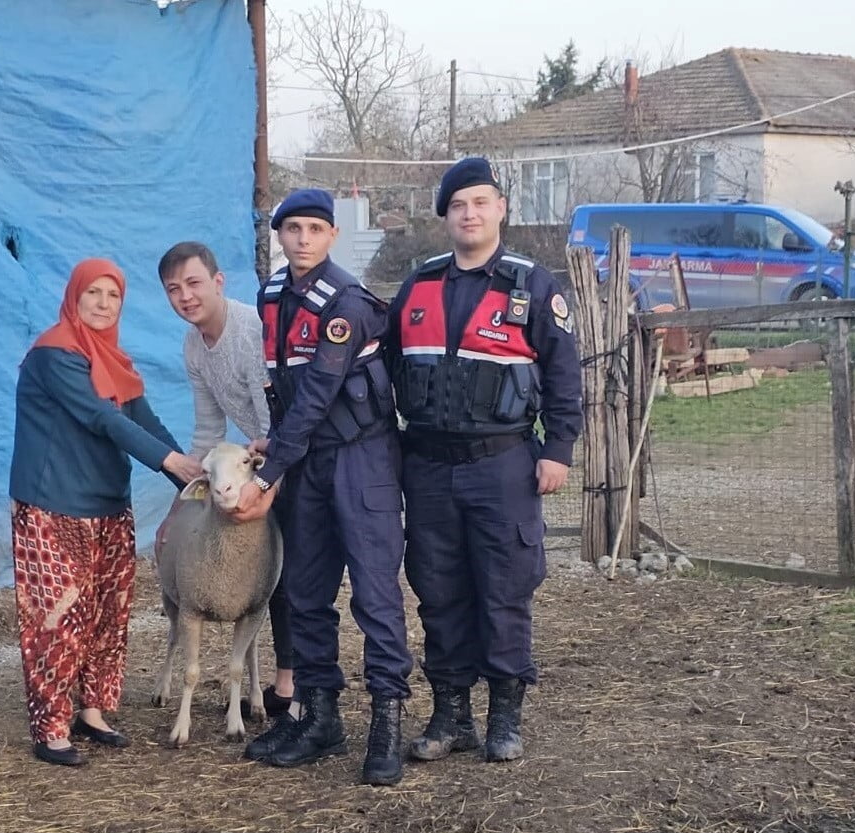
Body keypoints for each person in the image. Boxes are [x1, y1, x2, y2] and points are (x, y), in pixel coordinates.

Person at [384, 158, 582, 764]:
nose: (469, 214)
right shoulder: (418, 286)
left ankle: (504, 717)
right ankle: (450, 716)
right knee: (437, 589)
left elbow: (564, 375)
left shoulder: (533, 285)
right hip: (428, 467)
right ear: (444, 215)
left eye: (480, 202)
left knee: (504, 587)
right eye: (457, 205)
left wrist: (559, 451)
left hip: (504, 465)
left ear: (500, 208)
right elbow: (384, 368)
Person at [232, 188, 412, 786]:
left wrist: (268, 472)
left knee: (374, 595)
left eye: (315, 228)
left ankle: (387, 720)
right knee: (306, 593)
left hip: (361, 460)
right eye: (292, 229)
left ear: (332, 236)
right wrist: (275, 447)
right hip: (306, 462)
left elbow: (316, 397)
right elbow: (284, 388)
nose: (303, 238)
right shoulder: (271, 297)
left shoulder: (348, 304)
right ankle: (320, 716)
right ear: (279, 236)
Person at [9, 257, 191, 767]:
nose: (103, 303)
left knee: (109, 614)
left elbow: (141, 416)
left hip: (109, 505)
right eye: (94, 293)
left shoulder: (113, 359)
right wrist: (169, 461)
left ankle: (92, 709)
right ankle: (49, 725)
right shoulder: (54, 354)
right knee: (59, 616)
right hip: (54, 505)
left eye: (113, 295)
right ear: (75, 296)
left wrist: (189, 477)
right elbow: (100, 417)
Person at [154, 240, 294, 716]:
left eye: (193, 283)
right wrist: (179, 507)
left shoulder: (249, 331)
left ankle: (294, 689)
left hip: (287, 457)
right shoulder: (194, 344)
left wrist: (262, 484)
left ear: (218, 281)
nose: (185, 297)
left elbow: (271, 421)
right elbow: (209, 429)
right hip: (257, 463)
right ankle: (280, 688)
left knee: (285, 572)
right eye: (174, 290)